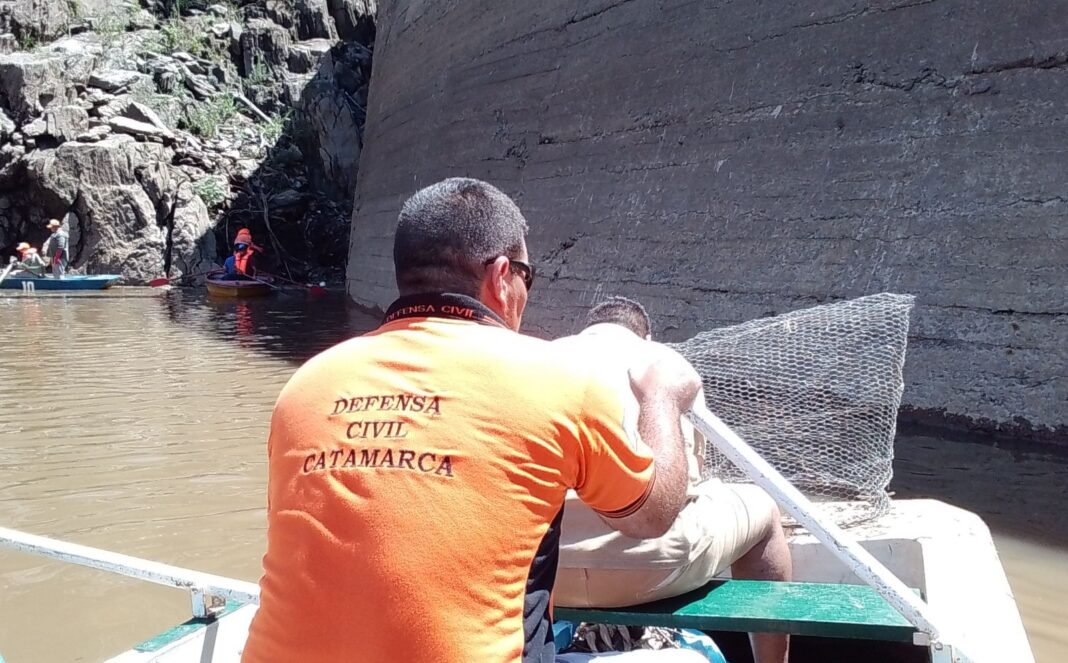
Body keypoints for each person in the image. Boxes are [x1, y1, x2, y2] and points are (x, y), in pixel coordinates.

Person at [242, 178, 706, 663]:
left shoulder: (306, 385)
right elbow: (652, 516)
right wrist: (662, 396)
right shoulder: (558, 378)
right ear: (502, 275)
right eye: (527, 276)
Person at [554, 297, 792, 663]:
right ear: (646, 336)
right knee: (764, 509)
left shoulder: (544, 360)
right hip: (655, 570)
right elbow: (685, 478)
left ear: (586, 330)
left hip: (547, 574)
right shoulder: (663, 364)